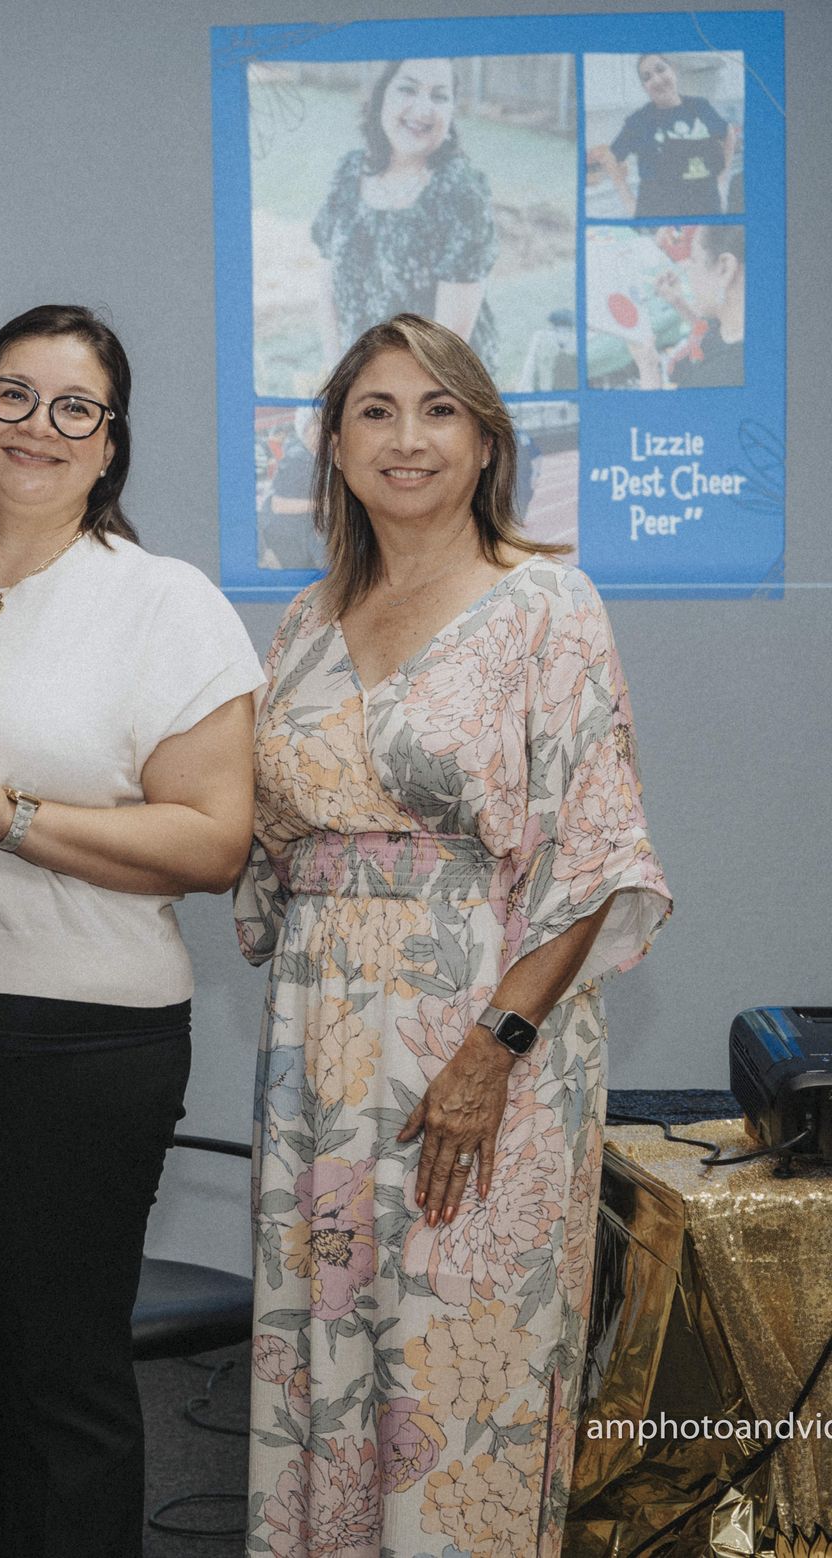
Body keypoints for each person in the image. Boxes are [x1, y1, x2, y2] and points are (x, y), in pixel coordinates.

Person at [235, 313, 671, 1556]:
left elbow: (594, 861)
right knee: (325, 1367)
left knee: (458, 1368)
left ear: (486, 443)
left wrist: (493, 1049)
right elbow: (263, 845)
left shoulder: (547, 604)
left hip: (482, 1051)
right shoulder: (304, 624)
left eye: (439, 410)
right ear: (333, 442)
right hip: (319, 1057)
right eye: (375, 409)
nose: (406, 436)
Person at [0, 304, 261, 1558]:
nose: (37, 426)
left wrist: (10, 812)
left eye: (73, 408)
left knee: (60, 1375)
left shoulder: (163, 602)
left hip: (83, 1040)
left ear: (110, 447)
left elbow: (213, 840)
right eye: (10, 395)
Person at [312, 58, 499, 380]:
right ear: (383, 94)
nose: (423, 109)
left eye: (439, 96)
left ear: (452, 111)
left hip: (440, 386)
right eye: (408, 89)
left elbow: (447, 348)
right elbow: (327, 293)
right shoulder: (348, 172)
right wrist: (337, 380)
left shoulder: (462, 194)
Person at [591, 53, 739, 219]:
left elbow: (728, 133)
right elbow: (610, 157)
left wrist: (722, 179)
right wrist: (629, 202)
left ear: (673, 70)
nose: (656, 80)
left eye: (660, 69)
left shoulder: (700, 107)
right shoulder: (639, 120)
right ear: (644, 87)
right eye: (647, 77)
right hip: (658, 219)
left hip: (707, 211)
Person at [627, 224, 746, 389]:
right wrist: (678, 302)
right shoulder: (732, 318)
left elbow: (657, 414)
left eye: (694, 260)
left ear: (725, 268)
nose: (688, 271)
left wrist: (648, 368)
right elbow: (711, 333)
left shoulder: (719, 378)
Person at [259, 407, 327, 570]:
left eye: (324, 426)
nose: (321, 431)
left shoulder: (316, 457)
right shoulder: (296, 458)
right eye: (315, 426)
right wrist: (322, 505)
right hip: (286, 538)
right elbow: (278, 505)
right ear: (304, 430)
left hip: (302, 535)